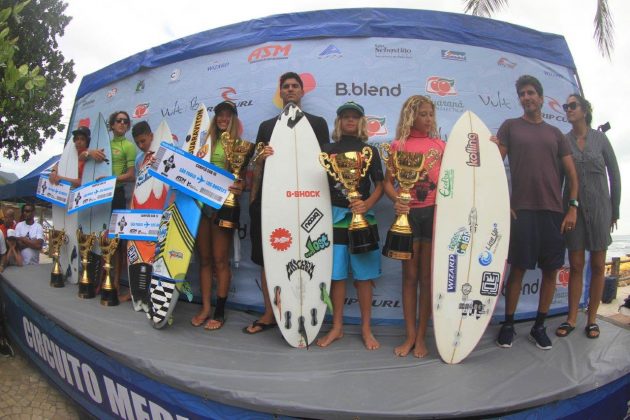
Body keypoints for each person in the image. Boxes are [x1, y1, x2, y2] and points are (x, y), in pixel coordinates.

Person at [494, 75, 579, 350]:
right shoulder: (510, 127)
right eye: (522, 94)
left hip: (554, 213)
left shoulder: (555, 134)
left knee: (551, 272)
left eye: (531, 93)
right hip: (522, 212)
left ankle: (539, 326)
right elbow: (495, 167)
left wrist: (572, 209)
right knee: (517, 270)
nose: (527, 97)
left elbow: (572, 176)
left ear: (541, 98)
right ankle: (508, 324)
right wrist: (501, 203)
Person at [243, 71, 330, 334]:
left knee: (312, 256)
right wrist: (260, 160)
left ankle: (308, 310)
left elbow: (324, 164)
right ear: (280, 93)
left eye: (294, 86)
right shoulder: (267, 126)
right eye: (286, 87)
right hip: (274, 203)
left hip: (309, 203)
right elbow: (257, 167)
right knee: (271, 258)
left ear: (302, 92)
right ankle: (271, 313)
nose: (290, 90)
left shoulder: (317, 123)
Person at [315, 101, 384, 350]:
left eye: (355, 117)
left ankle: (366, 328)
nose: (350, 120)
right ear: (339, 122)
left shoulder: (370, 151)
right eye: (345, 117)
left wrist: (367, 204)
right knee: (337, 275)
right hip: (333, 216)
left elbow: (380, 186)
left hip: (363, 216)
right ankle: (337, 327)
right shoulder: (327, 150)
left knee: (364, 277)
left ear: (362, 122)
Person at [383, 95, 445, 358]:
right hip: (407, 217)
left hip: (433, 215)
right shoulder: (398, 146)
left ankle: (422, 337)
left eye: (431, 114)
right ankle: (409, 336)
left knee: (426, 278)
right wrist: (399, 200)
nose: (428, 119)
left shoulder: (441, 146)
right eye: (423, 114)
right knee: (409, 278)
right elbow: (388, 182)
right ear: (411, 116)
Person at [555, 94, 621, 339]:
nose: (568, 109)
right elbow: (559, 178)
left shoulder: (600, 139)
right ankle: (572, 318)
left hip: (601, 211)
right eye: (566, 106)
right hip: (573, 211)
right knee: (576, 266)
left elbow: (615, 175)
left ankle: (592, 320)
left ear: (585, 110)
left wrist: (614, 210)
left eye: (572, 106)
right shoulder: (563, 141)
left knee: (596, 265)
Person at [190, 100, 242, 330]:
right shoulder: (204, 143)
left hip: (224, 205)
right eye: (220, 114)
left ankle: (219, 312)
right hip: (202, 205)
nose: (223, 118)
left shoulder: (238, 144)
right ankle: (204, 308)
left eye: (227, 115)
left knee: (220, 260)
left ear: (233, 119)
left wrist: (239, 185)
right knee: (205, 260)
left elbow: (242, 178)